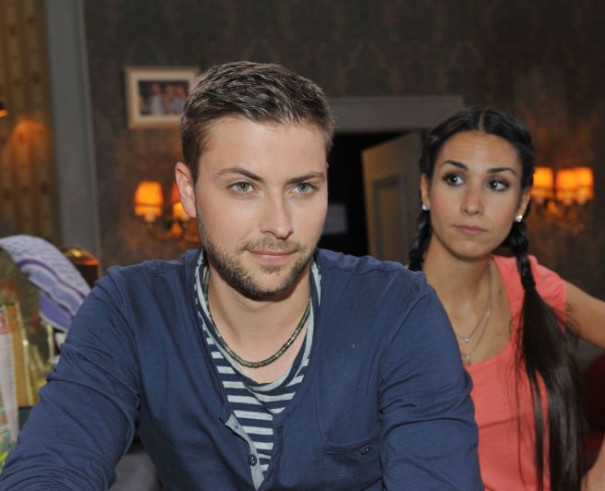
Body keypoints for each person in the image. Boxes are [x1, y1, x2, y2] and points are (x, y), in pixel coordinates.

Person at [0, 62, 482, 490]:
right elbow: (52, 464)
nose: (280, 224)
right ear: (188, 191)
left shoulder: (398, 310)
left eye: (302, 187)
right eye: (243, 187)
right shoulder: (130, 309)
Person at [408, 107, 605, 490]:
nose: (473, 204)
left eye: (497, 184)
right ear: (426, 189)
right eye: (455, 178)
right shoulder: (388, 311)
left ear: (522, 203)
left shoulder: (533, 289)